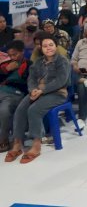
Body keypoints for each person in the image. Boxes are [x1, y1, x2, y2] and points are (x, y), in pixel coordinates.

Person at [5, 35, 69, 164]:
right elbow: (31, 79)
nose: (48, 48)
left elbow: (60, 81)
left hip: (57, 93)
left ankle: (36, 143)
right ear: (41, 48)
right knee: (20, 109)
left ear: (56, 46)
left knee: (34, 110)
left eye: (51, 45)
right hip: (37, 92)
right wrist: (33, 90)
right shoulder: (38, 62)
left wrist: (42, 90)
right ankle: (17, 143)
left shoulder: (62, 61)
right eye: (45, 46)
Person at [0, 40, 31, 152]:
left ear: (22, 52)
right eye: (10, 55)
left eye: (15, 54)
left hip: (16, 93)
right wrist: (6, 69)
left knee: (4, 110)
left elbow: (28, 84)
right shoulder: (5, 64)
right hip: (2, 90)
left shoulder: (29, 65)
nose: (12, 57)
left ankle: (3, 140)